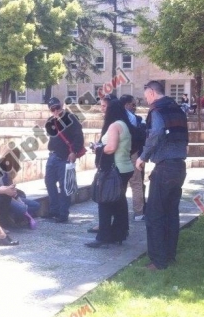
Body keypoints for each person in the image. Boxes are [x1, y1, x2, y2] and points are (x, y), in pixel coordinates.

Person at [135, 81, 188, 271]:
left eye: (146, 96)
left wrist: (143, 157)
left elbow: (156, 133)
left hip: (165, 167)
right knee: (171, 213)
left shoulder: (157, 110)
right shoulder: (178, 110)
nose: (146, 100)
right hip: (179, 166)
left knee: (155, 215)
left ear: (151, 92)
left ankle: (158, 261)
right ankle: (169, 255)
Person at [85, 99, 134, 248]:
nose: (102, 109)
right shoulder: (123, 124)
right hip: (124, 168)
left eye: (104, 107)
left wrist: (98, 148)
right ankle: (119, 233)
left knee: (105, 202)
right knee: (119, 203)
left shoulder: (114, 126)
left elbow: (111, 147)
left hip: (114, 170)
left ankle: (103, 237)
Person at [44, 97, 85, 223]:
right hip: (53, 155)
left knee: (64, 186)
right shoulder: (50, 120)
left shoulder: (71, 118)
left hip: (65, 157)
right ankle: (54, 210)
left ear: (61, 105)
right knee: (49, 182)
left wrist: (74, 152)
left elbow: (79, 137)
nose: (56, 111)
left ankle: (63, 213)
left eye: (57, 107)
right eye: (52, 109)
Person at [120, 94, 146, 221]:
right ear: (127, 105)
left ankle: (120, 212)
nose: (135, 107)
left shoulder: (115, 117)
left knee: (121, 185)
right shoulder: (133, 118)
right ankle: (139, 213)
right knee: (136, 184)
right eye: (133, 104)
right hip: (133, 153)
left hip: (119, 155)